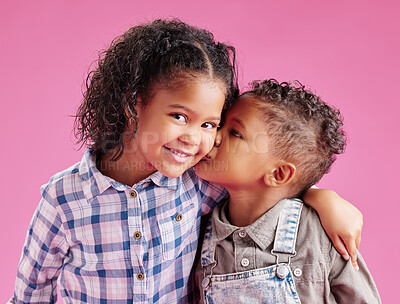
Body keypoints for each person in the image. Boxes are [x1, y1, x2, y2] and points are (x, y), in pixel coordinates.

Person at [10, 19, 362, 304]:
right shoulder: (63, 199)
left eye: (209, 124)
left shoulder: (198, 182)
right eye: (179, 116)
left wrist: (321, 197)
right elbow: (29, 295)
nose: (195, 139)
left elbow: (266, 184)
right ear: (135, 104)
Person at [194, 79, 381, 303]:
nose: (212, 135)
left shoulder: (320, 234)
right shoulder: (201, 226)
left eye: (235, 133)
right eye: (220, 124)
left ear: (279, 174)